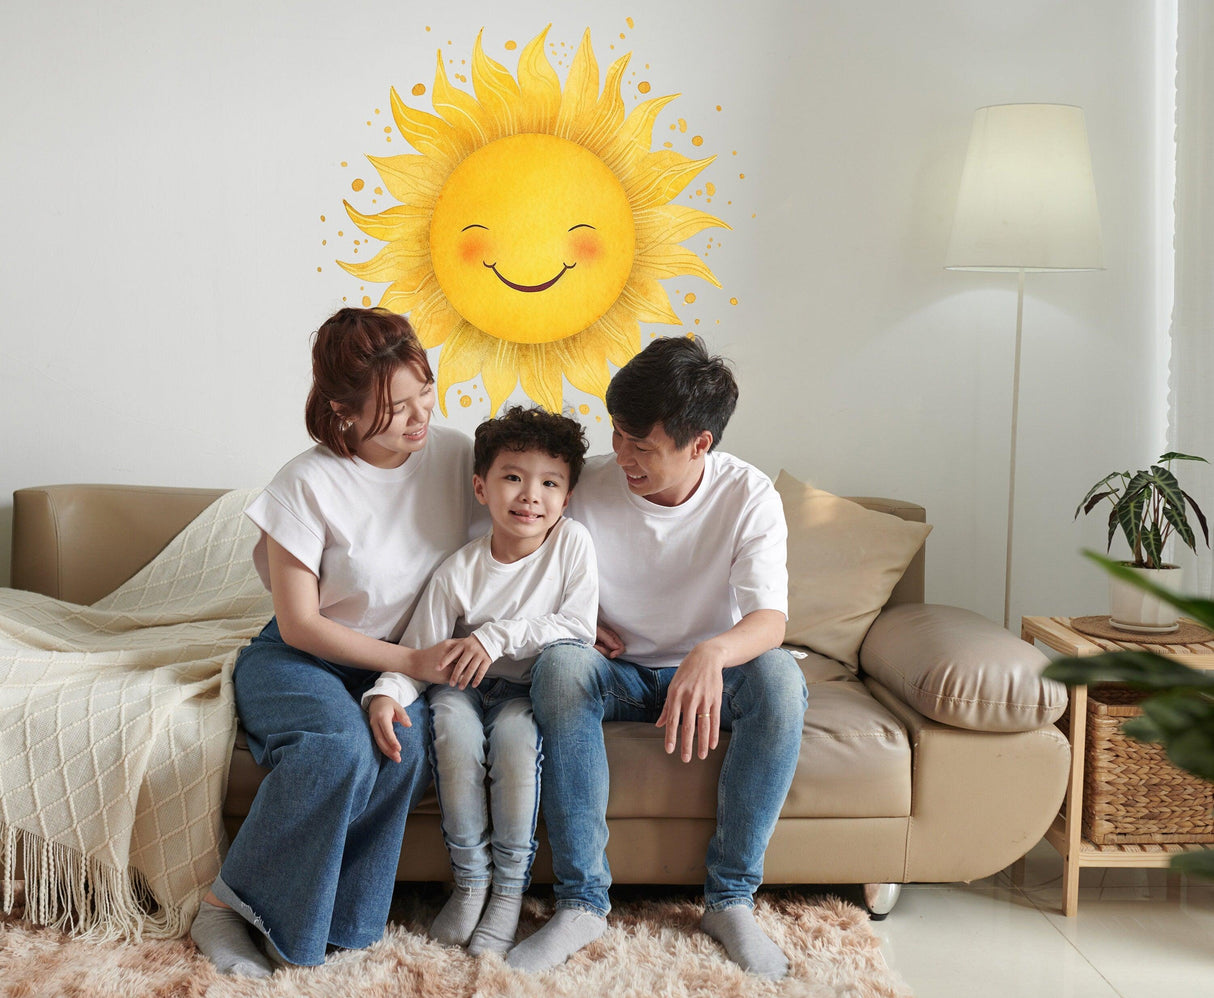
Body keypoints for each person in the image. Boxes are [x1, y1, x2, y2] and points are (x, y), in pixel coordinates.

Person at [506, 336, 808, 981]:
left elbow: (770, 621)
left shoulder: (748, 496)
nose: (621, 456)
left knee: (781, 681)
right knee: (560, 667)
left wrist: (712, 652)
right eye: (617, 434)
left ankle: (730, 900)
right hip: (614, 675)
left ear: (700, 443)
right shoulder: (584, 485)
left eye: (641, 445)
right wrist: (578, 621)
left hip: (710, 678)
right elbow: (512, 567)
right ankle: (582, 902)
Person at [189, 307, 480, 976]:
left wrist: (583, 607)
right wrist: (408, 660)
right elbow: (300, 623)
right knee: (340, 749)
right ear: (343, 412)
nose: (419, 418)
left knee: (403, 747)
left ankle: (340, 920)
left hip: (397, 669)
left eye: (424, 393)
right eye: (394, 407)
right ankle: (224, 906)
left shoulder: (459, 455)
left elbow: (528, 533)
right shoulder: (305, 483)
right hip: (302, 659)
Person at [364, 406, 596, 957]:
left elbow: (578, 627)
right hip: (462, 690)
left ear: (566, 499)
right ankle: (470, 881)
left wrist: (496, 636)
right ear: (481, 487)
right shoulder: (457, 571)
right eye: (513, 477)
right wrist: (385, 694)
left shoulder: (573, 545)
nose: (530, 495)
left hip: (526, 692)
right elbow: (420, 653)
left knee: (516, 746)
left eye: (549, 483)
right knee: (453, 731)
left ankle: (509, 891)